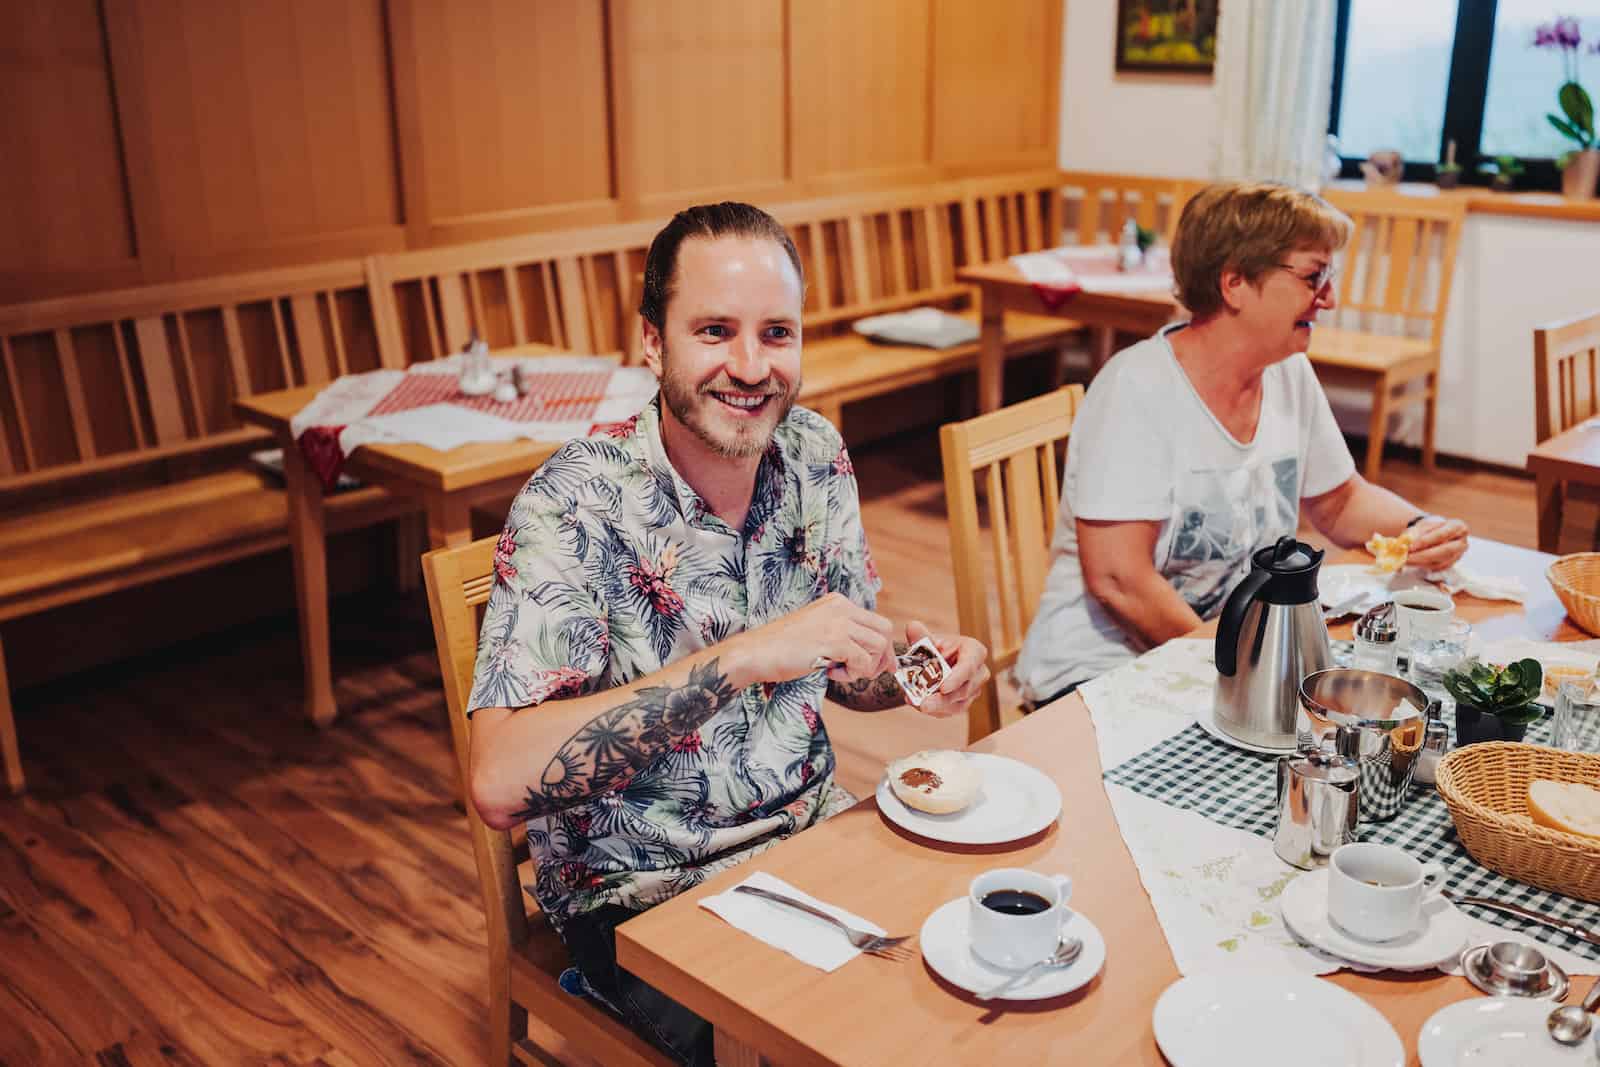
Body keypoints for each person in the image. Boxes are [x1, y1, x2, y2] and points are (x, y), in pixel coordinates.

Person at [465, 202, 990, 1066]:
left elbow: (847, 670)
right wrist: (743, 658)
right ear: (652, 342)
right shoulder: (575, 502)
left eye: (776, 332)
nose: (751, 367)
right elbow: (496, 780)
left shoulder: (815, 454)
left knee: (977, 977)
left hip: (815, 833)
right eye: (715, 331)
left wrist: (911, 671)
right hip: (644, 893)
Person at [1014, 181, 1470, 708]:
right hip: (1103, 666)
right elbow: (1121, 581)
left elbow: (1340, 500)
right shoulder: (1135, 388)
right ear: (1234, 283)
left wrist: (1418, 528)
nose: (1330, 299)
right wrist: (1243, 668)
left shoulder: (1288, 373)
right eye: (1313, 277)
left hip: (1220, 653)